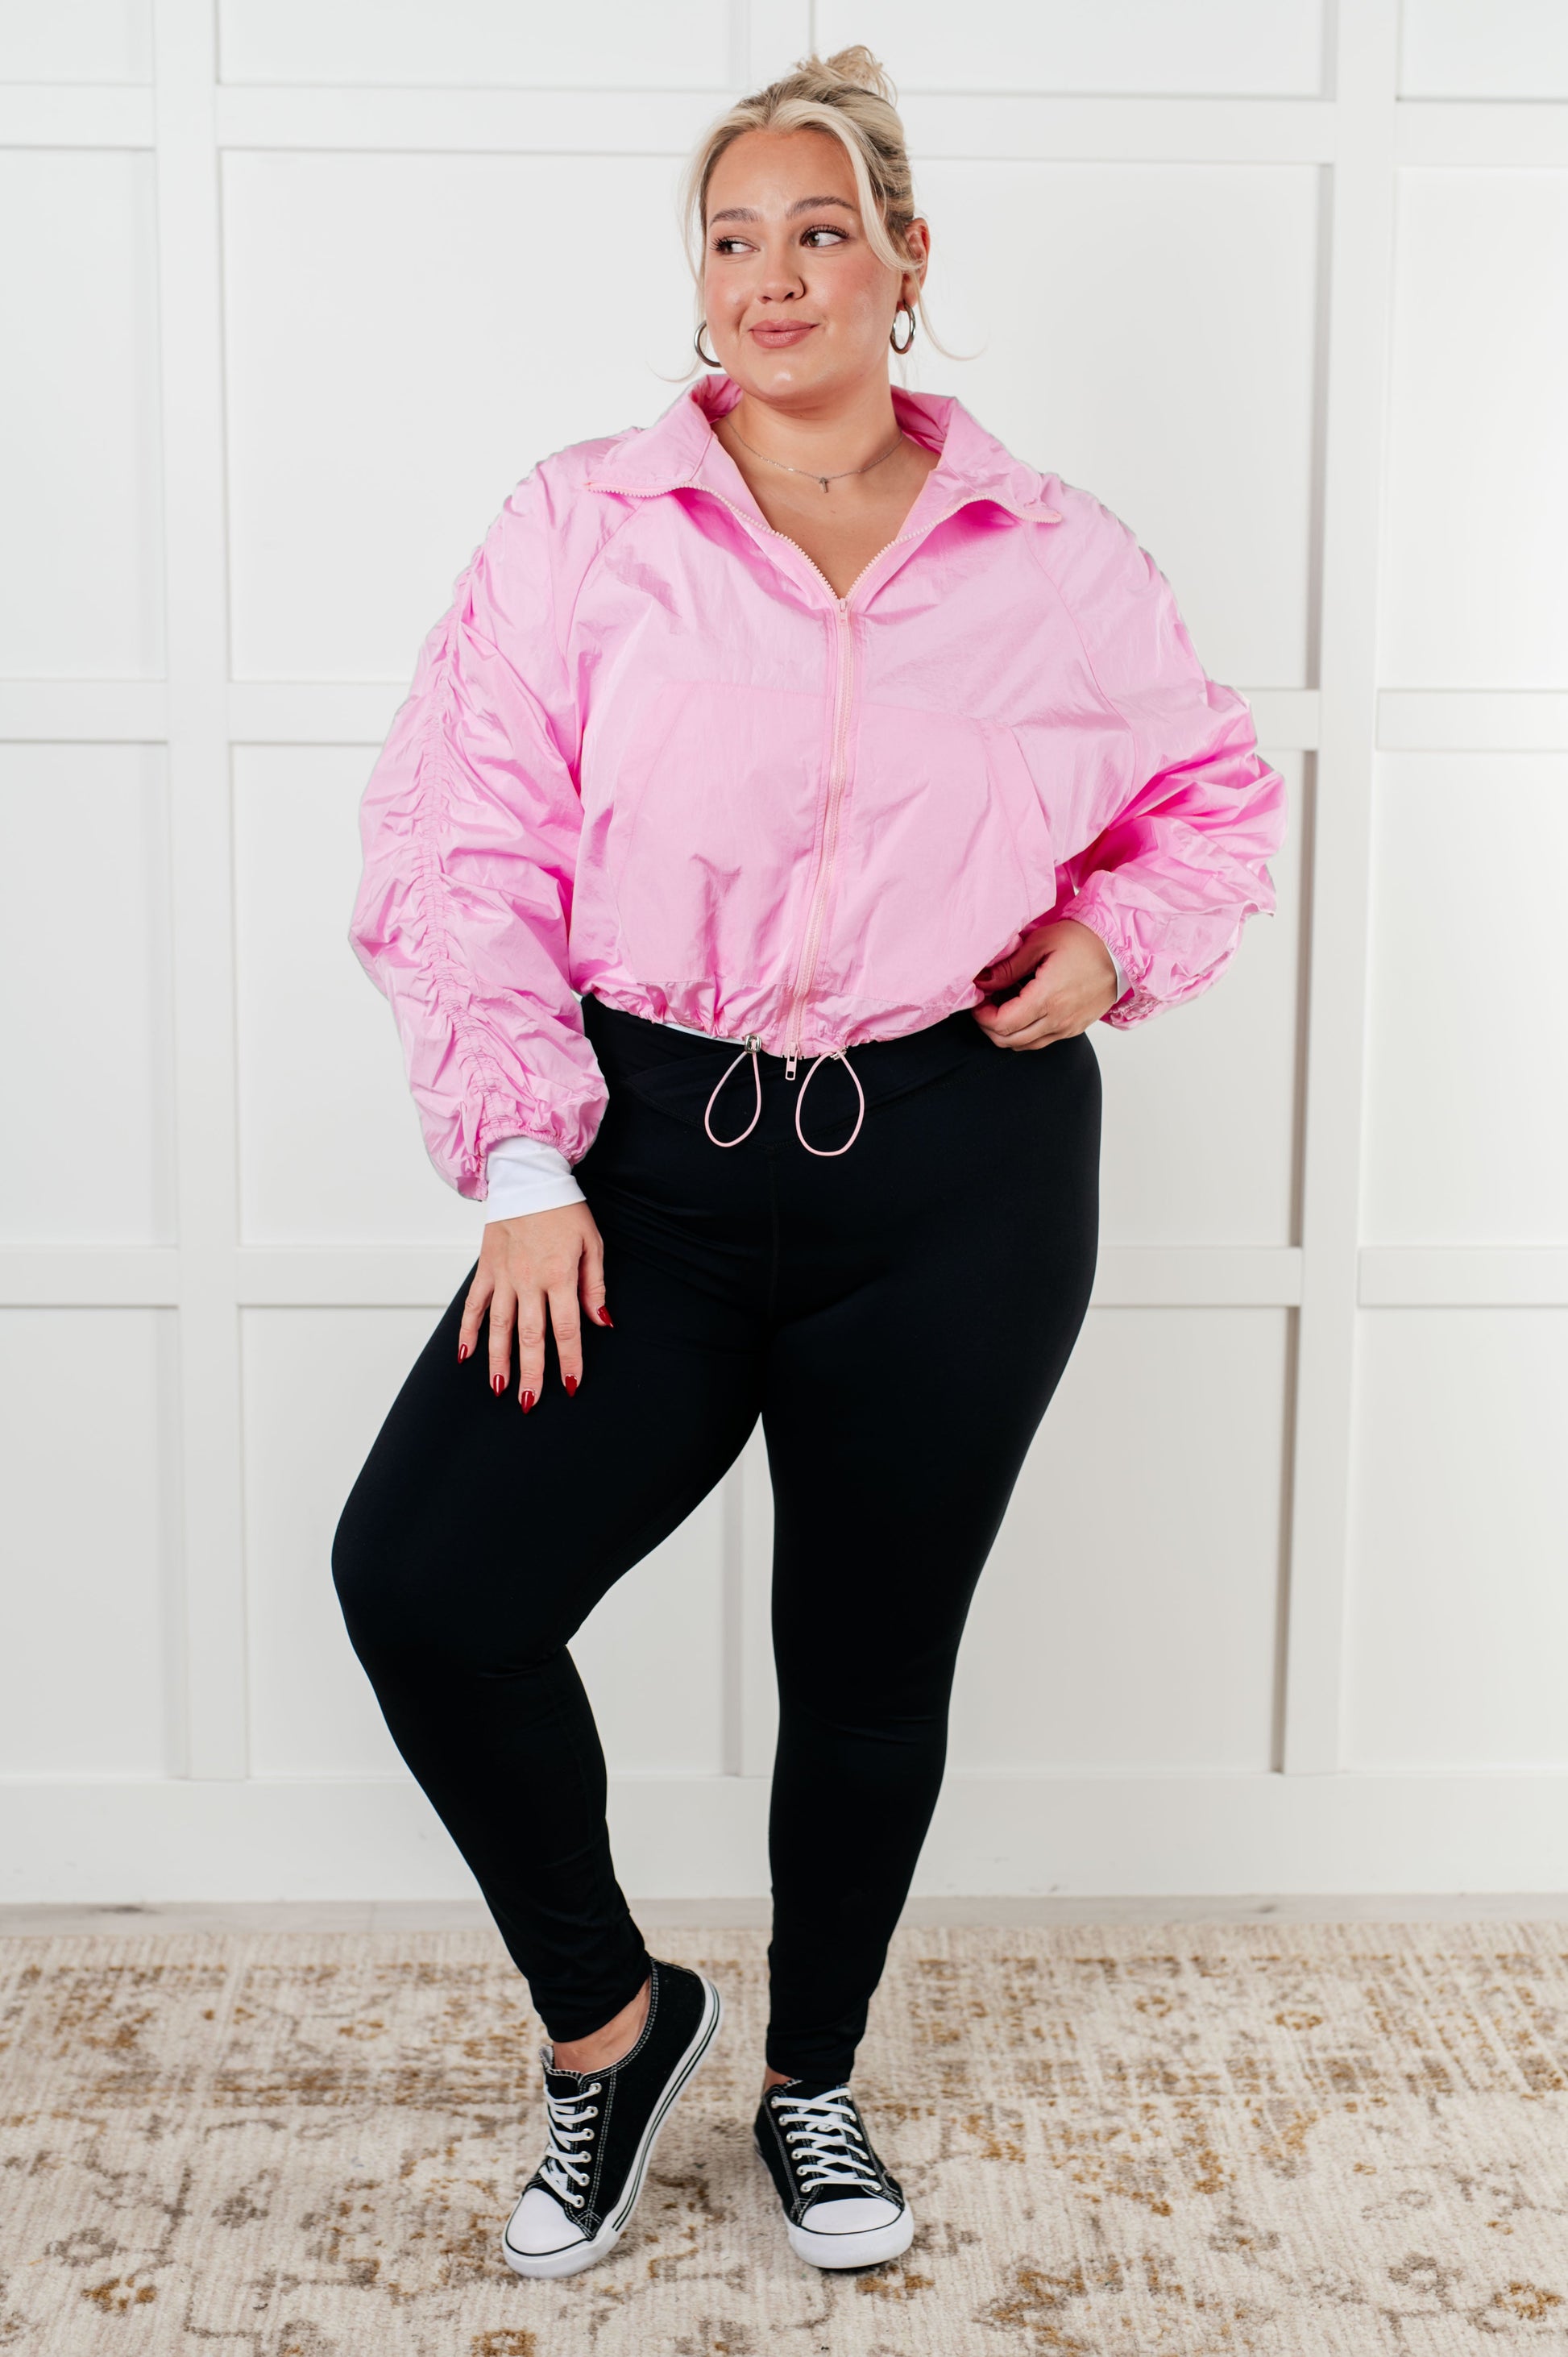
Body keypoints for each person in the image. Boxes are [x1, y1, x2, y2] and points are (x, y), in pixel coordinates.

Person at [330, 45, 1286, 2284]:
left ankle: (812, 2081)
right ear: (700, 281)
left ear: (904, 263)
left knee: (867, 1666)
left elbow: (1214, 799)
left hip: (955, 1164)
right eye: (733, 237)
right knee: (428, 1584)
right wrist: (518, 1159)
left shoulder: (1053, 557)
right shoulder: (584, 526)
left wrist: (1110, 939)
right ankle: (613, 2025)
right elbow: (454, 842)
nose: (771, 276)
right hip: (634, 1163)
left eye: (817, 230)